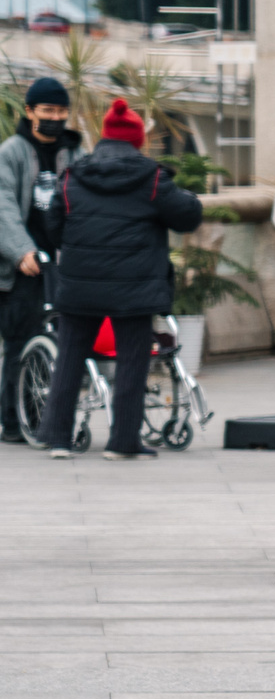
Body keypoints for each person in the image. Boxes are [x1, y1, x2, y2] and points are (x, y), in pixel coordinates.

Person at [39, 98, 200, 460]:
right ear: (137, 140)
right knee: (132, 359)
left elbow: (53, 226)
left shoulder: (74, 175)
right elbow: (187, 217)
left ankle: (59, 439)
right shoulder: (152, 178)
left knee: (70, 356)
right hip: (135, 286)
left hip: (80, 283)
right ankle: (122, 442)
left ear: (104, 138)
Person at [0, 78, 80, 442]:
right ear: (29, 111)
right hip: (23, 270)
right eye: (47, 111)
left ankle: (46, 420)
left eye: (61, 111)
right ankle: (14, 423)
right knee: (20, 345)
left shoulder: (75, 153)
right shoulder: (12, 152)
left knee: (60, 345)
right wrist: (21, 251)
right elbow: (2, 208)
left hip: (64, 266)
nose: (55, 118)